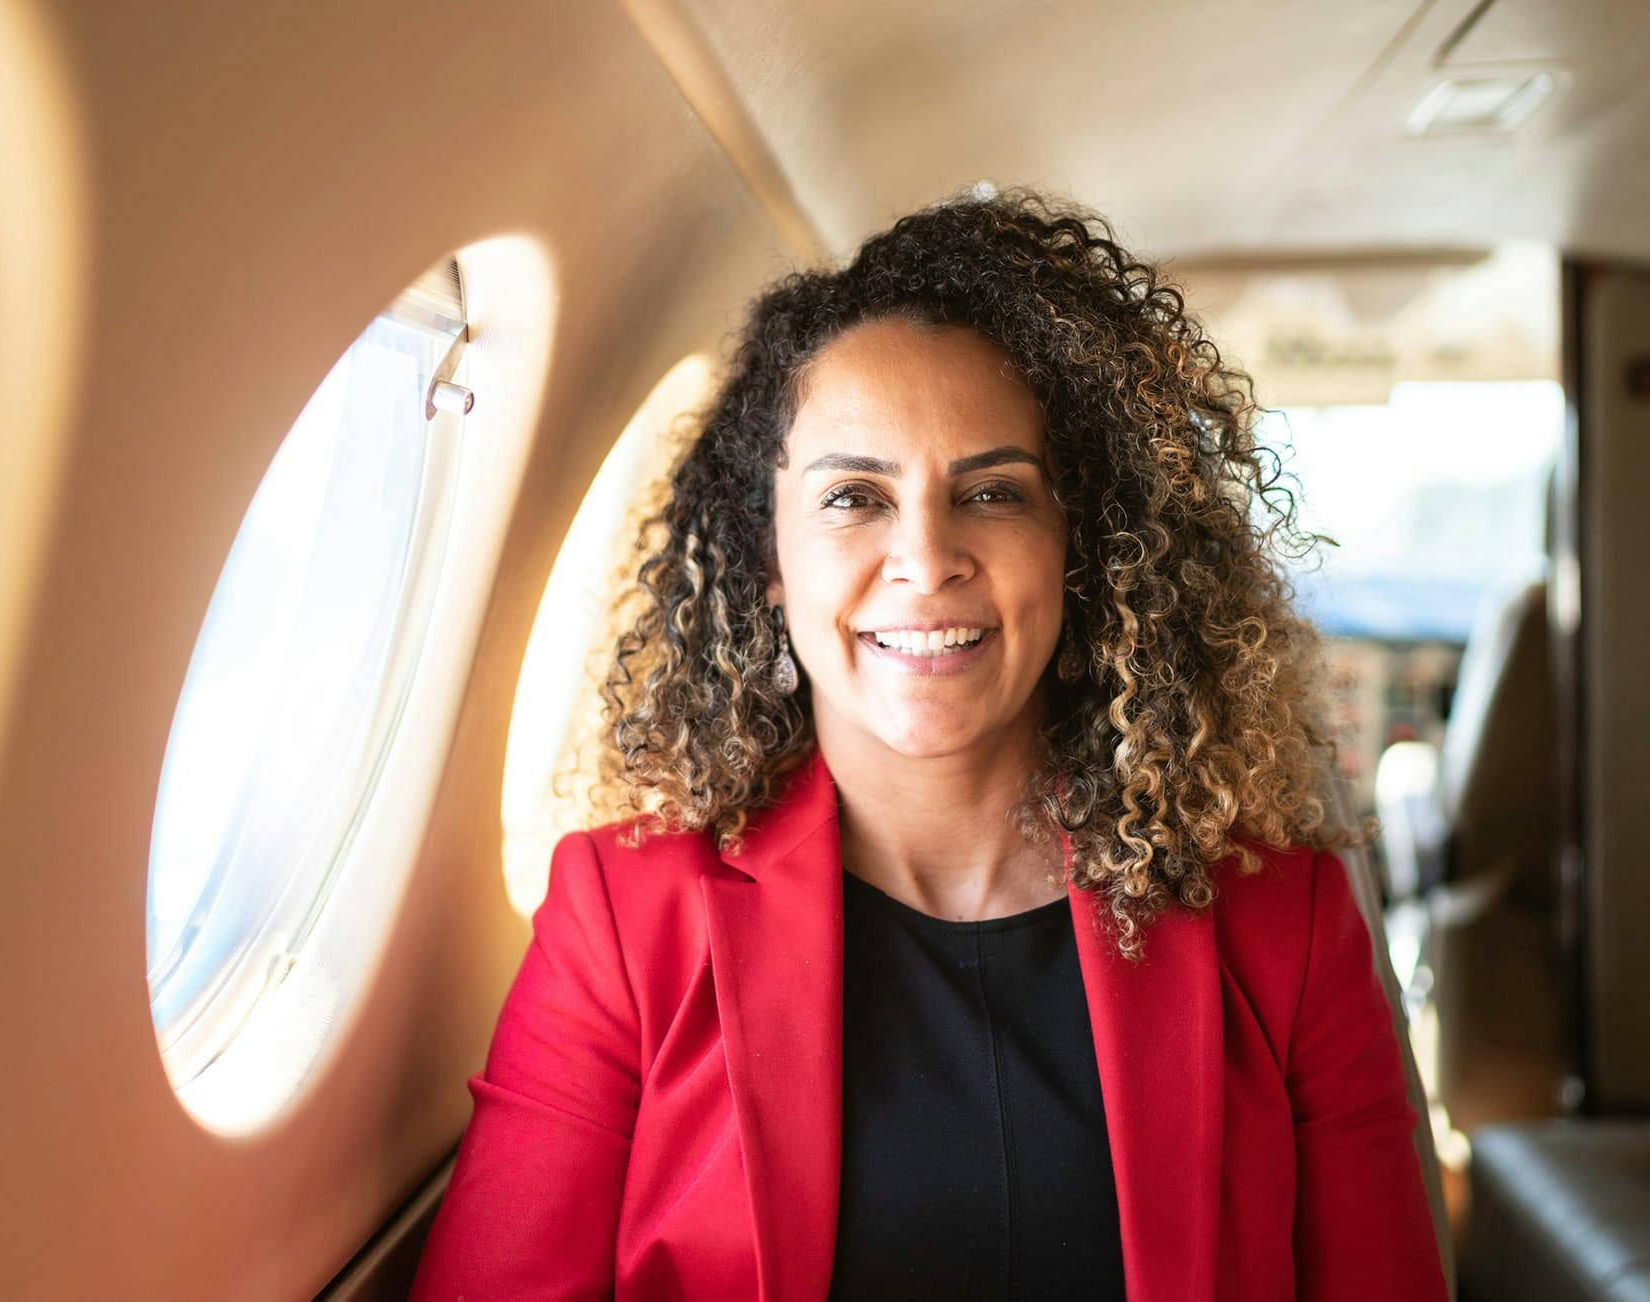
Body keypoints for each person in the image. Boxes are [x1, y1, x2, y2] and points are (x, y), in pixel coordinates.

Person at [408, 188, 1449, 1300]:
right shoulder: (624, 920)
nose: (925, 556)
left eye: (991, 493)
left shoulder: (1281, 922)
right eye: (854, 498)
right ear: (770, 560)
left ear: (1079, 547)